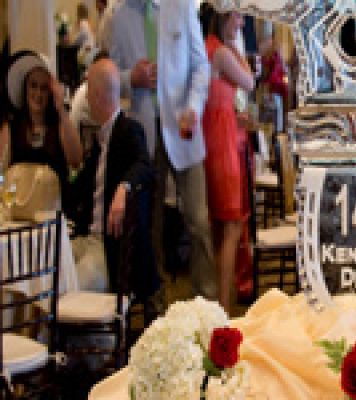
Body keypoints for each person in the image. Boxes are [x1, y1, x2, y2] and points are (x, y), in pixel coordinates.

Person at [106, 0, 215, 302]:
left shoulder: (182, 6)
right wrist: (130, 78)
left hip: (183, 128)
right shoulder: (120, 16)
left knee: (199, 221)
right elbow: (112, 74)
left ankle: (207, 301)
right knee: (148, 225)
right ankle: (157, 304)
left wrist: (194, 107)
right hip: (145, 132)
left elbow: (201, 67)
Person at [71, 58, 158, 297]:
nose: (86, 100)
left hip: (110, 249)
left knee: (70, 289)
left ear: (98, 96)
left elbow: (145, 166)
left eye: (89, 92)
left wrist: (124, 187)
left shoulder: (129, 130)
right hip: (86, 239)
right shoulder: (100, 141)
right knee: (48, 271)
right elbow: (75, 193)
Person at [199, 1, 255, 314]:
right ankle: (223, 305)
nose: (242, 22)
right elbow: (250, 80)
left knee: (221, 228)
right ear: (224, 15)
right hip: (222, 143)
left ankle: (222, 303)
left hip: (215, 136)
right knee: (231, 226)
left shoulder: (208, 47)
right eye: (238, 15)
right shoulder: (221, 52)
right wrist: (237, 48)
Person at [0, 51, 83, 205]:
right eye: (33, 86)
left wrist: (61, 109)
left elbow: (76, 160)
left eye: (44, 88)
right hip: (19, 210)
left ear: (50, 93)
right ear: (25, 88)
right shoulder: (10, 129)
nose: (38, 93)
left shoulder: (60, 126)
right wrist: (4, 194)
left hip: (54, 210)